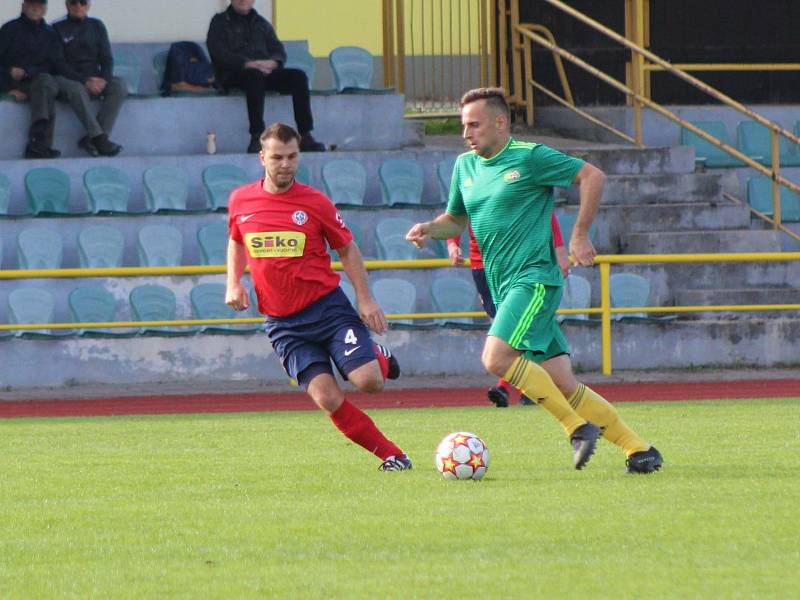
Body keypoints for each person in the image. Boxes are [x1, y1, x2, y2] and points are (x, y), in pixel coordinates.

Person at [406, 87, 662, 473]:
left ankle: (576, 429)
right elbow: (456, 220)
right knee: (563, 384)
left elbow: (592, 176)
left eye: (474, 124)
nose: (466, 133)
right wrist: (429, 228)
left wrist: (579, 234)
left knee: (495, 358)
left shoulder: (531, 157)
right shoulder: (465, 167)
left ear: (500, 122)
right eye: (463, 126)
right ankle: (639, 449)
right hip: (502, 286)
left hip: (534, 280)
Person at [225, 122, 411, 471]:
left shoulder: (315, 202)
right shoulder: (241, 201)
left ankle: (376, 355)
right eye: (277, 157)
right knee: (327, 398)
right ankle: (393, 455)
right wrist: (233, 283)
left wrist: (365, 299)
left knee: (370, 383)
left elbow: (348, 249)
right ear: (261, 157)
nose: (285, 164)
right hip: (283, 324)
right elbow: (236, 240)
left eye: (292, 156)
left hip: (328, 311)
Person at [447, 214, 570, 408]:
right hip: (482, 266)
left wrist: (560, 248)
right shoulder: (465, 183)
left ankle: (515, 387)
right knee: (505, 326)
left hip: (517, 263)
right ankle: (524, 387)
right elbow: (455, 214)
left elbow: (546, 209)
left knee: (514, 328)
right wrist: (452, 244)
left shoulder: (518, 183)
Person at [207, 0, 326, 154]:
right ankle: (257, 137)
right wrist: (246, 64)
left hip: (263, 72)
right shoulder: (220, 22)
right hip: (233, 73)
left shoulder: (261, 23)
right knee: (254, 77)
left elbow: (278, 49)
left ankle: (305, 135)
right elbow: (218, 52)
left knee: (298, 77)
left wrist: (274, 62)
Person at [0, 0, 75, 158]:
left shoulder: (50, 34)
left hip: (38, 82)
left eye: (40, 5)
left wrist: (28, 71)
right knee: (45, 87)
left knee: (45, 83)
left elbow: (55, 65)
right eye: (32, 4)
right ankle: (39, 143)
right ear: (23, 6)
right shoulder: (8, 30)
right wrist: (7, 87)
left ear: (45, 9)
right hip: (11, 83)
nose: (35, 8)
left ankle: (38, 142)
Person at [53, 0, 126, 157]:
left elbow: (107, 58)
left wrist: (104, 80)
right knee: (76, 88)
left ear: (88, 5)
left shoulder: (97, 25)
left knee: (119, 85)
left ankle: (92, 140)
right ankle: (99, 138)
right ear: (67, 5)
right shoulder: (57, 28)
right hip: (67, 78)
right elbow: (58, 63)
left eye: (83, 2)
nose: (78, 6)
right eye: (73, 3)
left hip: (95, 77)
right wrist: (84, 80)